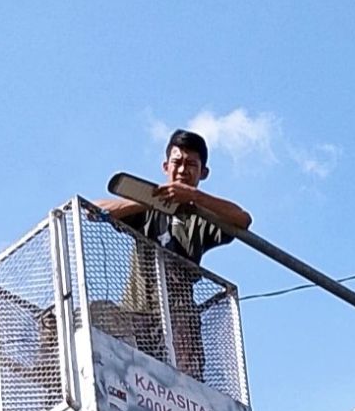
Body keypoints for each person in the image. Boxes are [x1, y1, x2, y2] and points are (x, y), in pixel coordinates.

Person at [94, 130, 252, 380]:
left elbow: (242, 219)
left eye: (191, 165)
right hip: (138, 311)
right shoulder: (147, 211)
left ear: (203, 173)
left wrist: (194, 198)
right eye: (177, 163)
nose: (182, 170)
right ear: (166, 166)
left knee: (184, 383)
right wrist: (151, 199)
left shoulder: (201, 217)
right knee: (93, 319)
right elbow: (97, 209)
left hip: (180, 317)